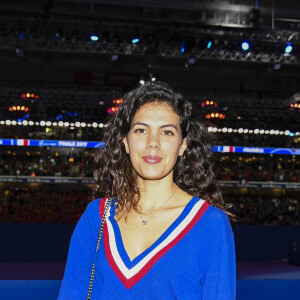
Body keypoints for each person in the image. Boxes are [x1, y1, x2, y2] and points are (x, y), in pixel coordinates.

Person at [58, 81, 236, 299]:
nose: (153, 142)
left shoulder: (211, 224)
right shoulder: (96, 217)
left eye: (167, 132)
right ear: (125, 142)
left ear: (183, 145)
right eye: (141, 130)